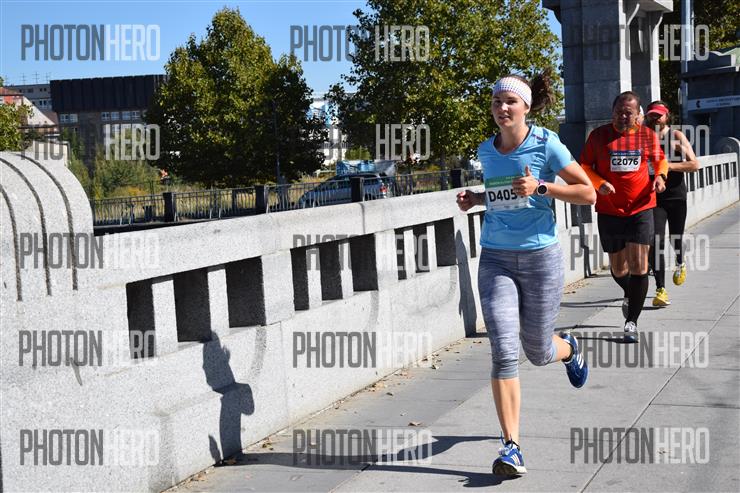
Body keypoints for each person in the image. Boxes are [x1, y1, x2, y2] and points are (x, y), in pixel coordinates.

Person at [456, 72, 596, 476]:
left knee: (538, 351)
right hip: (496, 259)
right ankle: (511, 447)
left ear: (526, 107)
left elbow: (587, 191)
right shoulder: (486, 150)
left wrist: (542, 188)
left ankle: (568, 348)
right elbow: (501, 194)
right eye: (496, 101)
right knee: (503, 348)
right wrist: (476, 198)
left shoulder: (546, 143)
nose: (502, 108)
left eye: (510, 102)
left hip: (539, 258)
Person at [579, 91, 668, 341]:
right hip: (609, 210)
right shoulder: (598, 136)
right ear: (612, 112)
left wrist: (660, 177)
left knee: (640, 266)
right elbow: (584, 166)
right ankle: (631, 292)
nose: (623, 116)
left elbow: (660, 161)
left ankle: (632, 321)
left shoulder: (646, 136)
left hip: (641, 207)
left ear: (638, 114)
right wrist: (599, 183)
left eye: (628, 113)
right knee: (619, 269)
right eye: (619, 112)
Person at [644, 101, 699, 306]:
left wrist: (667, 166)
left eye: (659, 115)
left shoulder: (676, 136)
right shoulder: (643, 138)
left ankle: (680, 262)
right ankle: (661, 289)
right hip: (653, 198)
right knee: (655, 240)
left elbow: (694, 164)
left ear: (667, 116)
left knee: (676, 237)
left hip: (676, 196)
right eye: (652, 115)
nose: (655, 118)